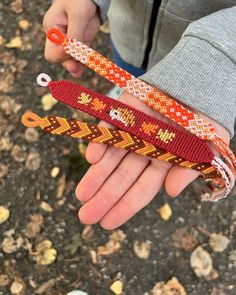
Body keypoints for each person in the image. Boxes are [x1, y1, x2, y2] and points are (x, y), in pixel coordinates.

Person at [43, 0, 236, 230]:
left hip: (208, 60)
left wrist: (223, 61)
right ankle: (127, 89)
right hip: (130, 35)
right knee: (129, 69)